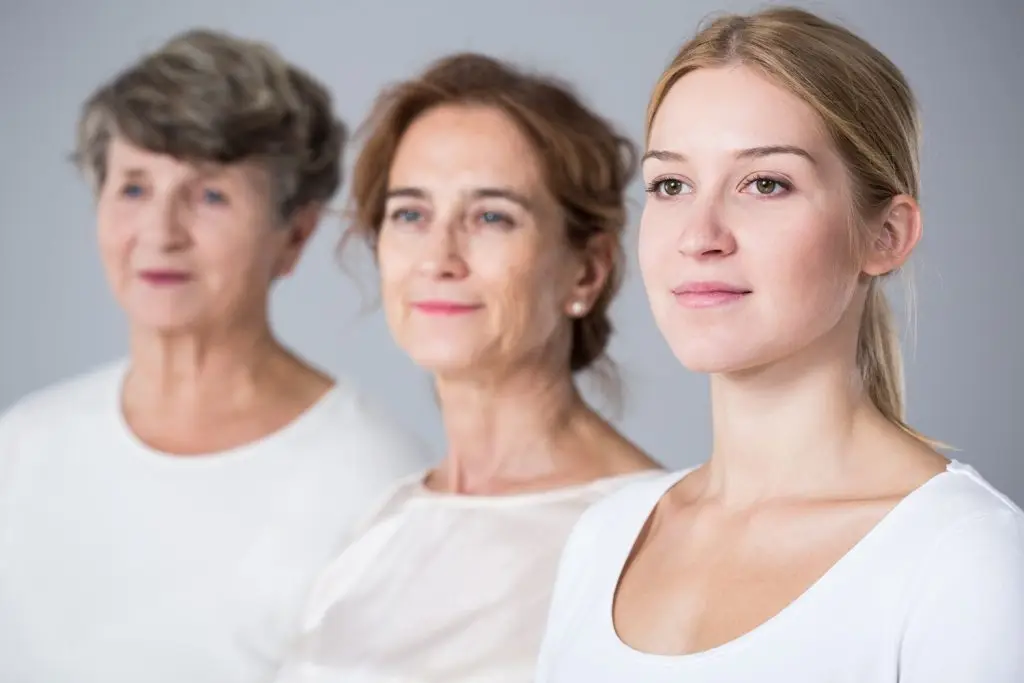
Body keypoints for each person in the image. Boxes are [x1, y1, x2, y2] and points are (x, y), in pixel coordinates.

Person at [535, 7, 1024, 682]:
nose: (699, 234)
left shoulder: (966, 561)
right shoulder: (605, 536)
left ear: (885, 235)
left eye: (766, 183)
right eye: (671, 185)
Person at [0, 29, 429, 683]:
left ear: (295, 234)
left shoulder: (374, 489)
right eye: (134, 188)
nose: (160, 233)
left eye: (210, 195)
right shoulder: (23, 445)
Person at [273, 52, 661, 683]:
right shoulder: (380, 529)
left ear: (586, 269)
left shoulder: (645, 539)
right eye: (411, 214)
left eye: (491, 217)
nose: (439, 257)